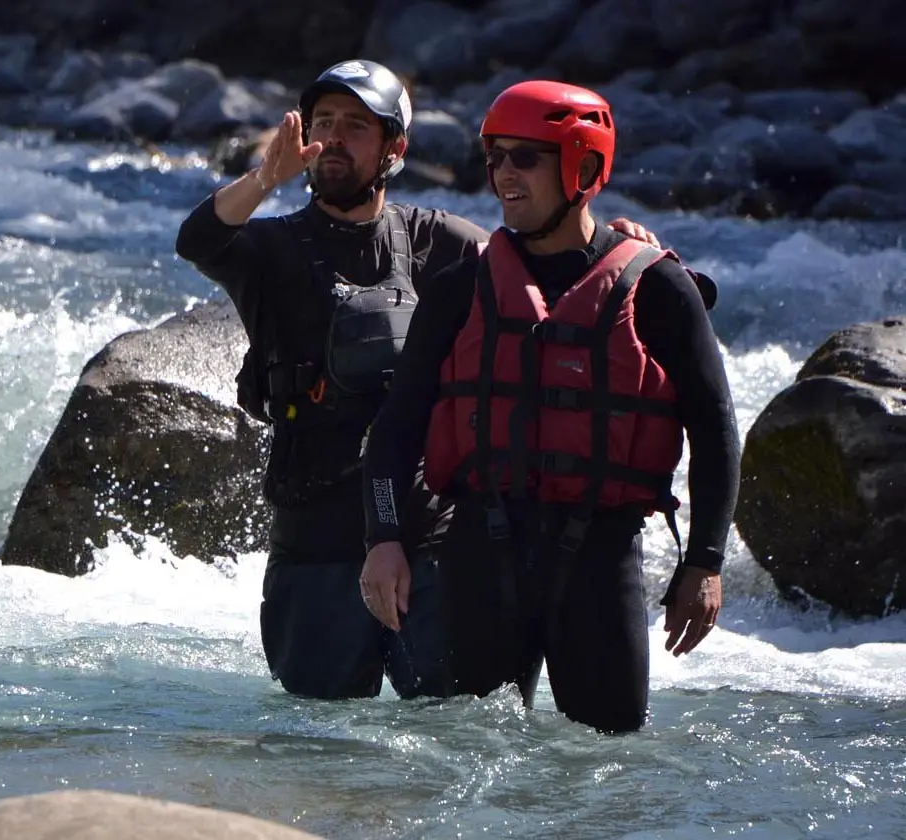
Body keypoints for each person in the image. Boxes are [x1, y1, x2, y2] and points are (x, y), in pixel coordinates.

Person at [175, 62, 661, 702]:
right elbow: (198, 240)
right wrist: (267, 177)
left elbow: (551, 265)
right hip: (314, 542)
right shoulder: (269, 250)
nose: (334, 138)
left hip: (432, 540)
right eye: (323, 123)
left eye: (356, 126)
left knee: (449, 738)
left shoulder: (443, 243)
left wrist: (615, 243)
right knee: (315, 746)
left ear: (395, 149)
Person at [359, 80, 741, 732]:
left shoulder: (659, 289)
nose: (504, 173)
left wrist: (703, 561)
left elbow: (716, 429)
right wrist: (385, 539)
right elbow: (396, 426)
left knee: (607, 764)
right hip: (479, 547)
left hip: (600, 553)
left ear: (585, 168)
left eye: (526, 157)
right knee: (461, 759)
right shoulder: (460, 290)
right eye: (495, 157)